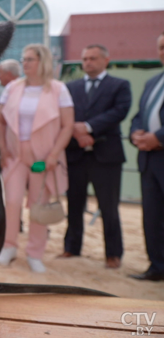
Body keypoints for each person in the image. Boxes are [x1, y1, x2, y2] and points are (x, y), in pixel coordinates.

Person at [0, 44, 75, 273]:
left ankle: (34, 253)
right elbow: (0, 122)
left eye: (30, 59)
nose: (25, 63)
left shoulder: (59, 89)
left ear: (43, 62)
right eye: (24, 58)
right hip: (14, 154)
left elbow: (68, 126)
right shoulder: (12, 88)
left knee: (39, 205)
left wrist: (54, 155)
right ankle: (8, 247)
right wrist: (2, 148)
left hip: (44, 158)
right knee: (11, 201)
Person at [60, 45, 131, 269]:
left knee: (109, 207)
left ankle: (113, 254)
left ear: (105, 60)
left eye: (93, 58)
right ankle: (71, 247)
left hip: (106, 155)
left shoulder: (119, 85)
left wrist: (89, 128)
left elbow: (120, 111)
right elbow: (64, 114)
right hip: (76, 154)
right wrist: (77, 132)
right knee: (74, 204)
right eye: (85, 58)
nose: (88, 62)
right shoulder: (70, 87)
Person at [128, 32, 164, 281]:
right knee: (152, 217)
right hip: (149, 161)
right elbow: (139, 116)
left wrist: (159, 137)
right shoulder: (153, 82)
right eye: (161, 47)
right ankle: (157, 267)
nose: (163, 51)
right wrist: (135, 134)